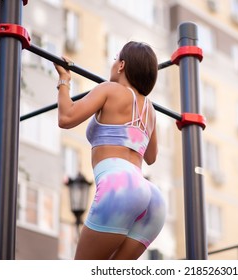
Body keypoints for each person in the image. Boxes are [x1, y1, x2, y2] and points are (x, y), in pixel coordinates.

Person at [54, 41, 166, 260]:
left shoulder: (109, 90)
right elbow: (151, 157)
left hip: (120, 187)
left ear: (122, 65)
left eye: (116, 58)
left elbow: (66, 118)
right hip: (152, 199)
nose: (113, 62)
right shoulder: (150, 109)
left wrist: (64, 80)